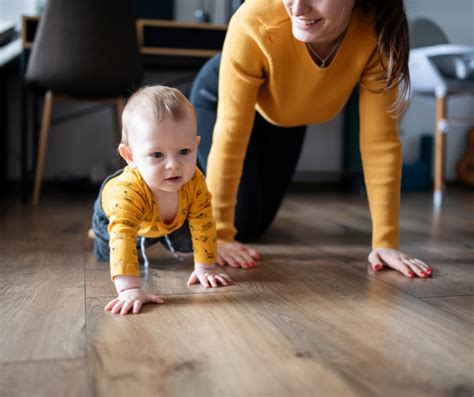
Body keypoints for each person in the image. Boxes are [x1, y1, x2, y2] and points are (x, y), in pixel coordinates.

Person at [190, 0, 433, 278]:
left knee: (255, 225)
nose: (298, 7)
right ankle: (167, 197)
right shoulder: (253, 22)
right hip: (220, 98)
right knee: (239, 223)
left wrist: (386, 243)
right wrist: (218, 235)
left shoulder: (376, 30)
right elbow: (230, 137)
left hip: (286, 114)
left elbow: (380, 144)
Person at [92, 85, 231, 315]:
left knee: (191, 248)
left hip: (170, 221)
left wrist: (205, 267)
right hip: (119, 220)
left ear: (196, 146)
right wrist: (129, 290)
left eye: (184, 152)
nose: (173, 165)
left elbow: (203, 219)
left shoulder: (194, 180)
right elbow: (123, 235)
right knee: (111, 252)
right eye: (157, 155)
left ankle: (165, 239)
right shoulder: (126, 193)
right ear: (130, 156)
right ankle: (97, 234)